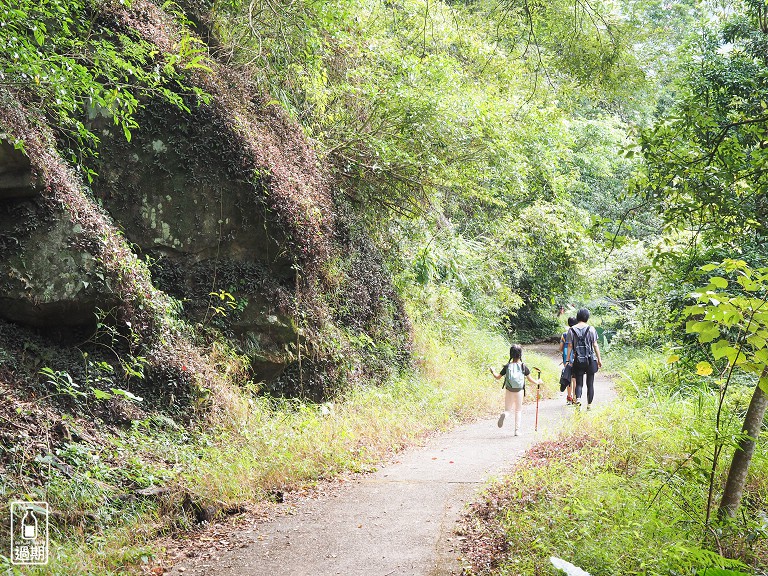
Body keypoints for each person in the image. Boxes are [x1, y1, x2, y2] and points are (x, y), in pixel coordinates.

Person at [489, 344, 543, 436]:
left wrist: (492, 371)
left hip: (509, 390)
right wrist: (538, 382)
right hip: (519, 391)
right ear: (520, 355)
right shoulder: (523, 366)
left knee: (507, 410)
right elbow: (530, 379)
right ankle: (517, 431)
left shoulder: (507, 366)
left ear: (511, 354)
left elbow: (497, 377)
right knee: (518, 410)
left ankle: (505, 415)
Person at [565, 308, 603, 410]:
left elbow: (569, 346)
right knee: (590, 383)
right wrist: (599, 359)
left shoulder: (571, 330)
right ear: (587, 317)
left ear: (578, 317)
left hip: (578, 359)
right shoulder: (591, 329)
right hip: (590, 359)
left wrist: (568, 360)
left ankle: (578, 399)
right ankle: (589, 406)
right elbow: (595, 345)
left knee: (579, 382)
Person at [559, 316, 577, 404]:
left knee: (568, 376)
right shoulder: (577, 333)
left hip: (566, 359)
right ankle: (575, 397)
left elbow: (560, 348)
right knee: (575, 378)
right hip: (576, 358)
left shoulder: (565, 334)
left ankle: (569, 397)